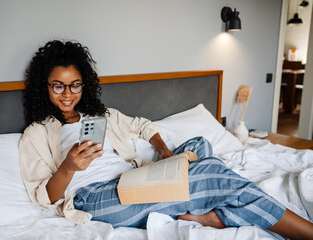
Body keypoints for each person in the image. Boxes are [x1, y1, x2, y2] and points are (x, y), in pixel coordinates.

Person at [19, 40, 313, 240]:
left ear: (85, 85)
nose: (67, 93)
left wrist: (163, 151)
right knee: (213, 175)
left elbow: (143, 126)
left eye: (75, 85)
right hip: (96, 198)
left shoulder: (101, 115)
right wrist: (69, 167)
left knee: (198, 145)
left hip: (133, 179)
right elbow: (45, 197)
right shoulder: (37, 133)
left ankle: (200, 213)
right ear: (44, 86)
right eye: (58, 86)